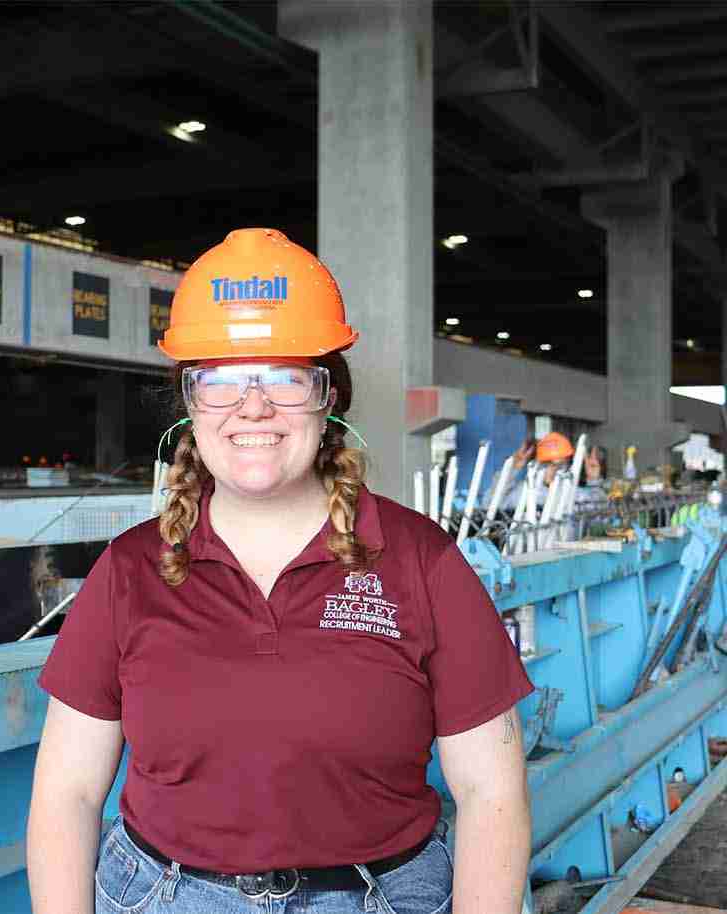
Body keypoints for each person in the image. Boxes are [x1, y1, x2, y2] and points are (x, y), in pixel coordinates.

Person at [26, 228, 534, 914]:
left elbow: (491, 792)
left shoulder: (423, 562)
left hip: (380, 899)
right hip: (165, 898)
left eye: (286, 378)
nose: (253, 406)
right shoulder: (128, 572)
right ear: (191, 405)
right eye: (222, 381)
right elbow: (68, 793)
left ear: (328, 400)